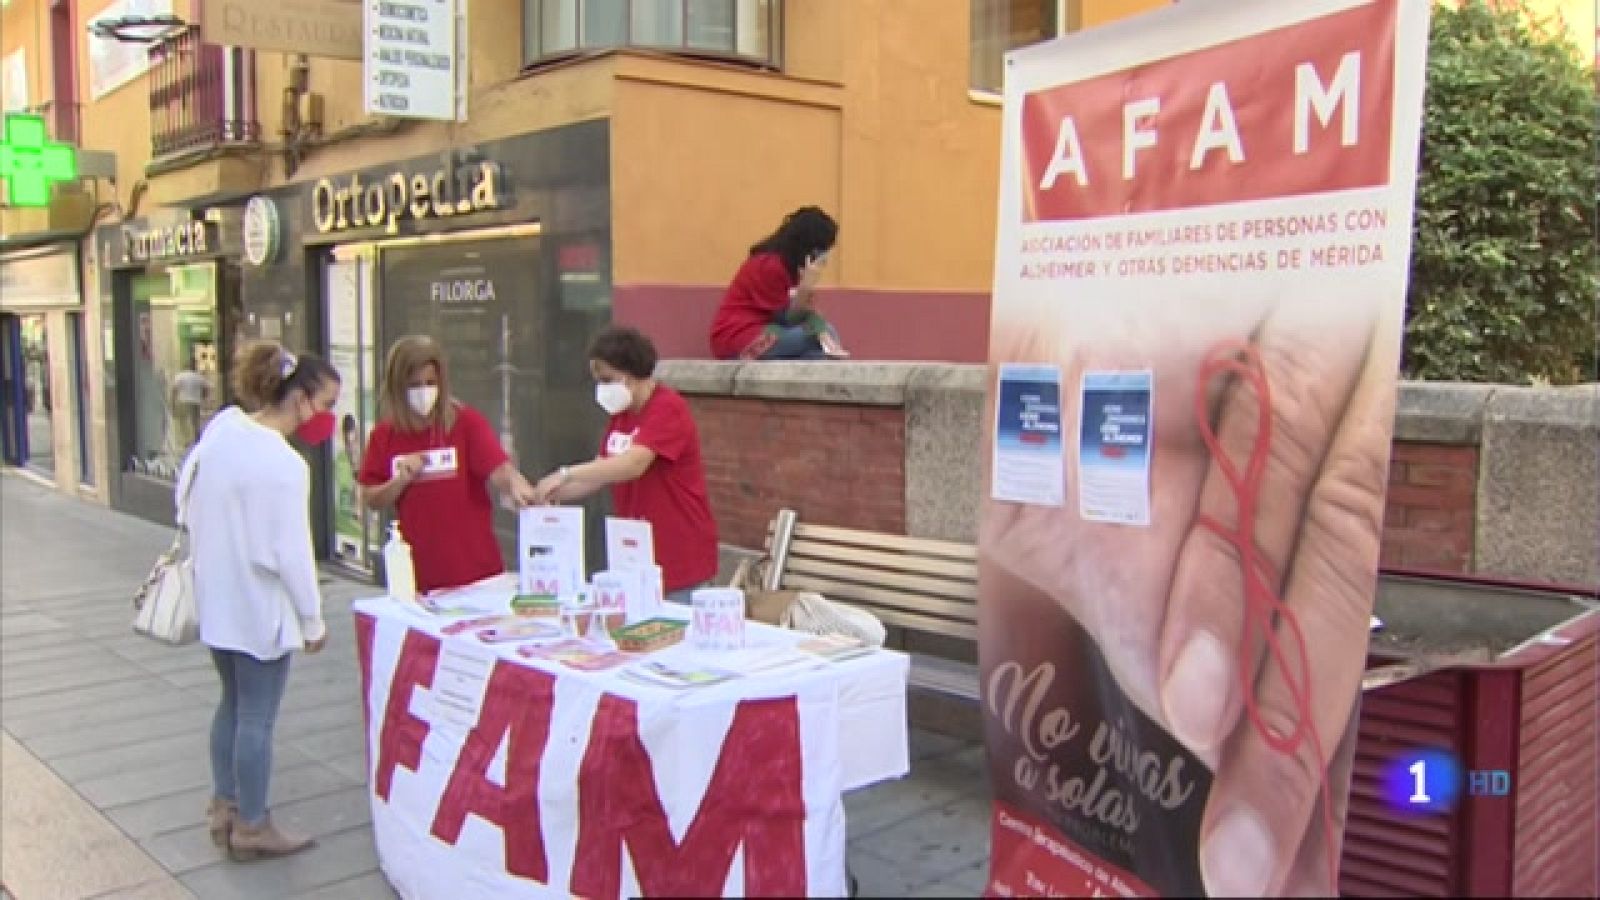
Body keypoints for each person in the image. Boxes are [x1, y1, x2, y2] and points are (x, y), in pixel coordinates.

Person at [176, 340, 339, 861]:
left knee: (231, 703)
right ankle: (252, 823)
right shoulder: (285, 465)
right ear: (301, 399)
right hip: (259, 609)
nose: (328, 417)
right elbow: (291, 553)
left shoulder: (222, 429)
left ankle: (223, 804)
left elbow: (185, 495)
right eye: (327, 404)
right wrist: (313, 620)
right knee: (258, 718)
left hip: (216, 596)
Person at [533, 326, 719, 603]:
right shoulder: (622, 415)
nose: (602, 389)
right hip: (635, 552)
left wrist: (565, 473)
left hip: (677, 551)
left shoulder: (668, 409)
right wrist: (550, 494)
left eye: (607, 379)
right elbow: (602, 471)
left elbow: (633, 464)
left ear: (630, 373)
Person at [357, 335, 539, 594]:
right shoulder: (385, 435)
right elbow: (371, 497)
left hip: (478, 575)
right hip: (420, 580)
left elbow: (498, 468)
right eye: (414, 385)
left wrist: (516, 486)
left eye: (430, 383)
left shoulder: (465, 423)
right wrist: (400, 480)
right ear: (398, 388)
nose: (424, 392)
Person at [710, 206, 849, 361]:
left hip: (771, 334)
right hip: (740, 338)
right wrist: (806, 287)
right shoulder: (769, 265)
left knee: (817, 356)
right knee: (822, 334)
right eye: (822, 249)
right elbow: (788, 319)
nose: (824, 256)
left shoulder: (791, 269)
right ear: (809, 246)